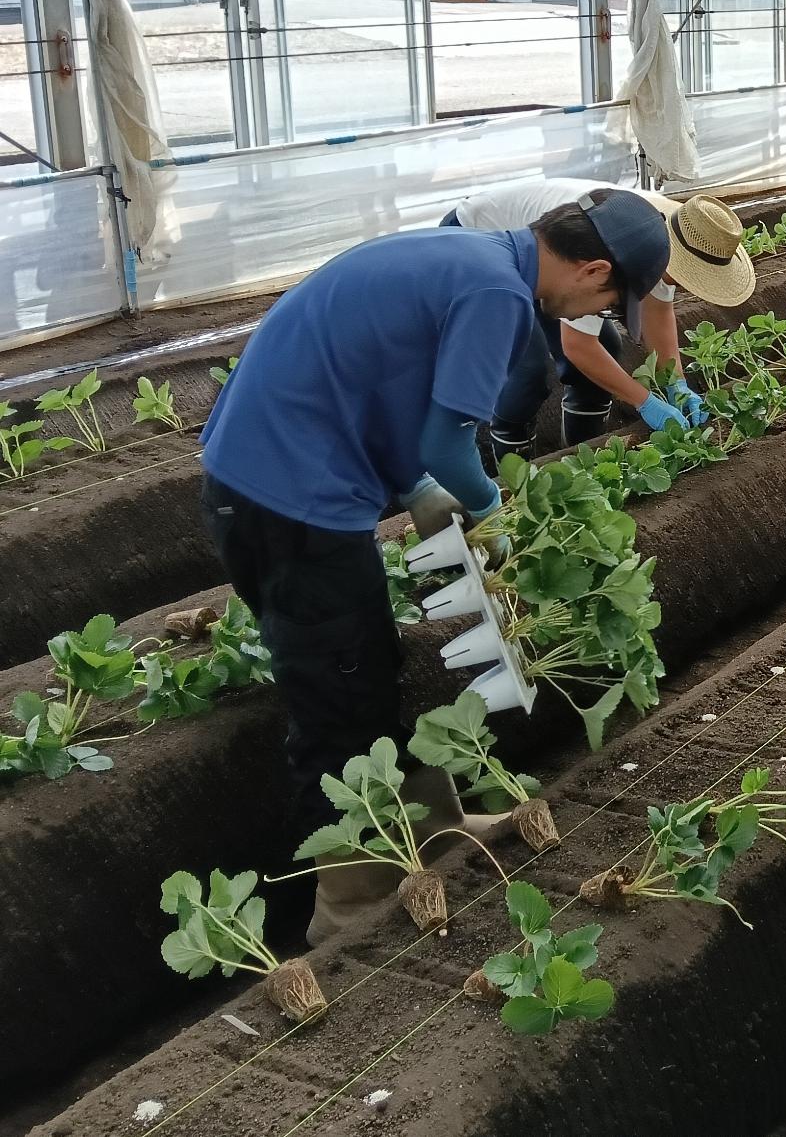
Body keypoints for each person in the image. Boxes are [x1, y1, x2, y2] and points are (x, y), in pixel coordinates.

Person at [197, 190, 674, 939]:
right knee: (338, 703)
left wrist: (415, 487)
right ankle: (343, 907)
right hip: (289, 498)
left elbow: (380, 386)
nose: (602, 315)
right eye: (613, 300)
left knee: (369, 665)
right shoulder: (496, 293)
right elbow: (451, 444)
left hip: (275, 475)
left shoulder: (469, 258)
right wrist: (489, 512)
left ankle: (436, 827)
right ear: (591, 269)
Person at [445, 180, 756, 453]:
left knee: (607, 345)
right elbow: (578, 346)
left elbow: (658, 310)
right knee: (530, 369)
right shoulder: (611, 241)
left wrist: (676, 383)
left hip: (548, 262)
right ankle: (510, 460)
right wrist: (644, 400)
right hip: (480, 247)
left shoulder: (659, 234)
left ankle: (583, 453)